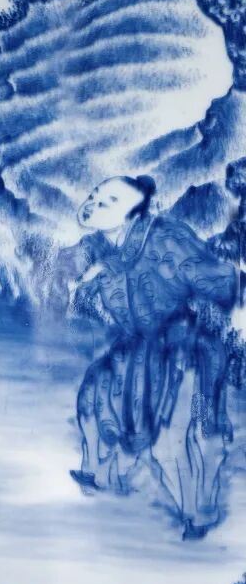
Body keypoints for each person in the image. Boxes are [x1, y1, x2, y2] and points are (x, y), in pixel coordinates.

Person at [61, 175, 238, 539]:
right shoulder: (99, 248)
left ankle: (199, 514)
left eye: (109, 201)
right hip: (140, 350)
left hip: (187, 352)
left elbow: (222, 282)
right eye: (95, 194)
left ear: (133, 213)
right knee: (94, 395)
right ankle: (100, 472)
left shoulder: (165, 238)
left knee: (184, 434)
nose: (94, 203)